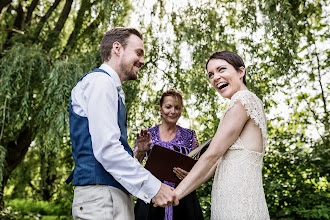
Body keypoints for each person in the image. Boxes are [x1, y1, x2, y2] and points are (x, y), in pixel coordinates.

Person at [65, 27, 176, 220]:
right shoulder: (100, 82)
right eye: (138, 53)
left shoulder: (112, 89)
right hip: (101, 198)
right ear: (117, 48)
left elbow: (106, 152)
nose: (142, 61)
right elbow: (107, 150)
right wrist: (155, 187)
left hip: (111, 195)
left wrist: (137, 154)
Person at [173, 51, 270, 219]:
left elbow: (212, 154)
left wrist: (175, 194)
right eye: (211, 74)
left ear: (241, 72)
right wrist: (194, 176)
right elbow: (218, 161)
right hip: (235, 198)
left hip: (238, 204)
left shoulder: (242, 100)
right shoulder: (251, 102)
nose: (215, 77)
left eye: (221, 69)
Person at [134, 88, 204, 220]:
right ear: (160, 109)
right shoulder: (148, 134)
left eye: (177, 107)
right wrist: (141, 151)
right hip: (152, 197)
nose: (173, 111)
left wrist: (190, 176)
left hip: (183, 199)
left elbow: (199, 168)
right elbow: (132, 165)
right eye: (168, 107)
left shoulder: (190, 136)